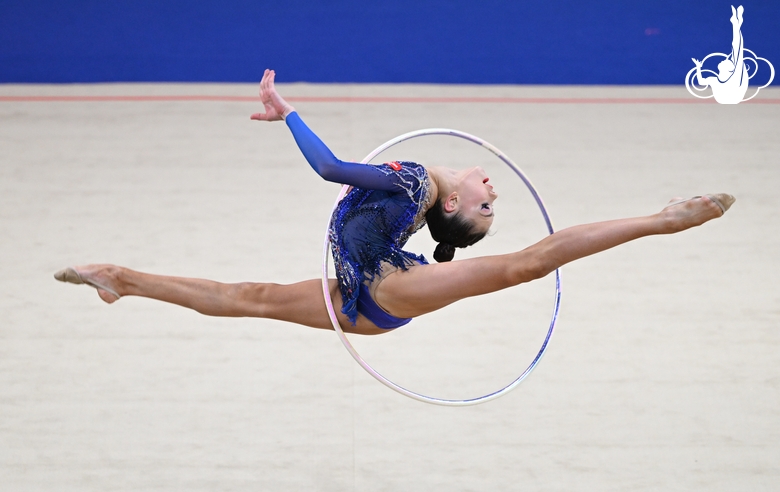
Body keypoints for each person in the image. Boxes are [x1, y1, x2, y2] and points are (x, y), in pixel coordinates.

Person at [54, 69, 735, 336]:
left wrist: (287, 112)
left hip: (386, 290)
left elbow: (328, 167)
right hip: (364, 290)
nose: (492, 189)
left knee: (524, 267)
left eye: (486, 205)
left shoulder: (413, 184)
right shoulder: (413, 185)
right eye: (490, 199)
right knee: (248, 295)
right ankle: (121, 280)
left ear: (452, 207)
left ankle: (663, 221)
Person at [692, 5, 748, 104]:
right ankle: (736, 24)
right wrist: (698, 67)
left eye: (727, 61)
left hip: (732, 99)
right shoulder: (714, 79)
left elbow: (737, 48)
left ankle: (736, 24)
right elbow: (701, 82)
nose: (725, 59)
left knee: (737, 50)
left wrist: (736, 26)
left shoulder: (734, 77)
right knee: (736, 50)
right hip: (725, 99)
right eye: (727, 60)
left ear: (730, 69)